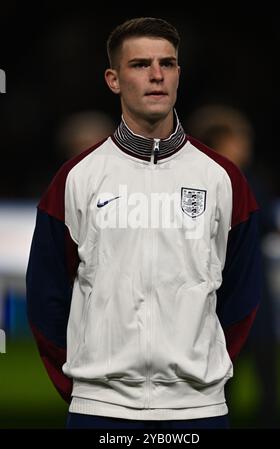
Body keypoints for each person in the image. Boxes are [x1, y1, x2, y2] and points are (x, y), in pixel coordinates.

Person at [26, 17, 261, 430]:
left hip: (199, 412)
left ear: (178, 75)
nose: (156, 75)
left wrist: (203, 374)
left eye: (167, 64)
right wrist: (86, 385)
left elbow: (243, 290)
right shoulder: (77, 177)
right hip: (100, 411)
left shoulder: (222, 178)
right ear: (113, 79)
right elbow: (45, 292)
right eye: (140, 65)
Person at [185, 104, 279, 427]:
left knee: (266, 361)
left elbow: (270, 222)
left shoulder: (253, 180)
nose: (246, 147)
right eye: (239, 140)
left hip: (255, 289)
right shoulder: (202, 182)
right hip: (218, 291)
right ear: (219, 143)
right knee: (222, 366)